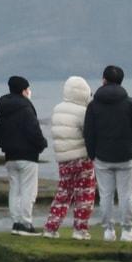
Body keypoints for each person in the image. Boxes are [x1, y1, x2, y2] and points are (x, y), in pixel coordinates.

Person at [84, 65, 132, 242]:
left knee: (105, 196)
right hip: (126, 154)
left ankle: (108, 231)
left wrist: (92, 154)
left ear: (103, 80)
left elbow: (88, 132)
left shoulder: (94, 105)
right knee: (126, 195)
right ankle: (127, 230)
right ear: (121, 81)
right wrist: (130, 138)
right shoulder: (129, 102)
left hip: (102, 157)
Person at [0, 76, 49, 236]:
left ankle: (16, 223)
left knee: (15, 190)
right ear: (24, 90)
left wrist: (5, 145)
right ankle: (26, 223)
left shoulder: (5, 109)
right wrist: (42, 144)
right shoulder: (26, 108)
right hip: (28, 155)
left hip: (10, 156)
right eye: (28, 88)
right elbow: (34, 131)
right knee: (28, 191)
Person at [44, 77, 95, 240]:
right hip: (82, 157)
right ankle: (80, 230)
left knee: (63, 193)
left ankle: (50, 228)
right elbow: (88, 133)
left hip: (63, 159)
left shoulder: (57, 109)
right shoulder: (83, 111)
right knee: (85, 194)